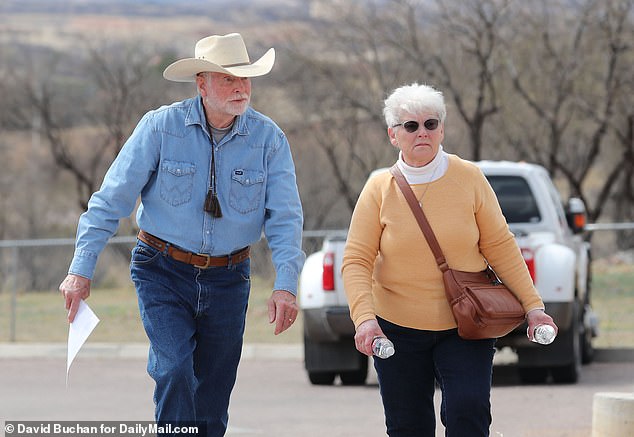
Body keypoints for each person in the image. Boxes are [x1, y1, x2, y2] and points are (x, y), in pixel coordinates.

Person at [58, 33, 305, 436]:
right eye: (228, 79)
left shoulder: (269, 139)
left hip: (230, 277)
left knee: (213, 394)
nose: (241, 87)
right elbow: (110, 200)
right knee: (173, 369)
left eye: (245, 78)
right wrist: (80, 270)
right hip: (162, 270)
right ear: (202, 84)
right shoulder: (160, 127)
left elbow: (286, 218)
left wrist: (286, 285)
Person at [341, 83, 558, 436]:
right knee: (408, 426)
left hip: (466, 324)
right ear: (393, 135)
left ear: (442, 130)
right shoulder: (379, 188)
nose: (421, 132)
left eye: (430, 123)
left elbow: (500, 245)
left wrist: (533, 307)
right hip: (396, 329)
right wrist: (365, 319)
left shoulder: (469, 177)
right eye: (410, 126)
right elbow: (356, 260)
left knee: (468, 413)